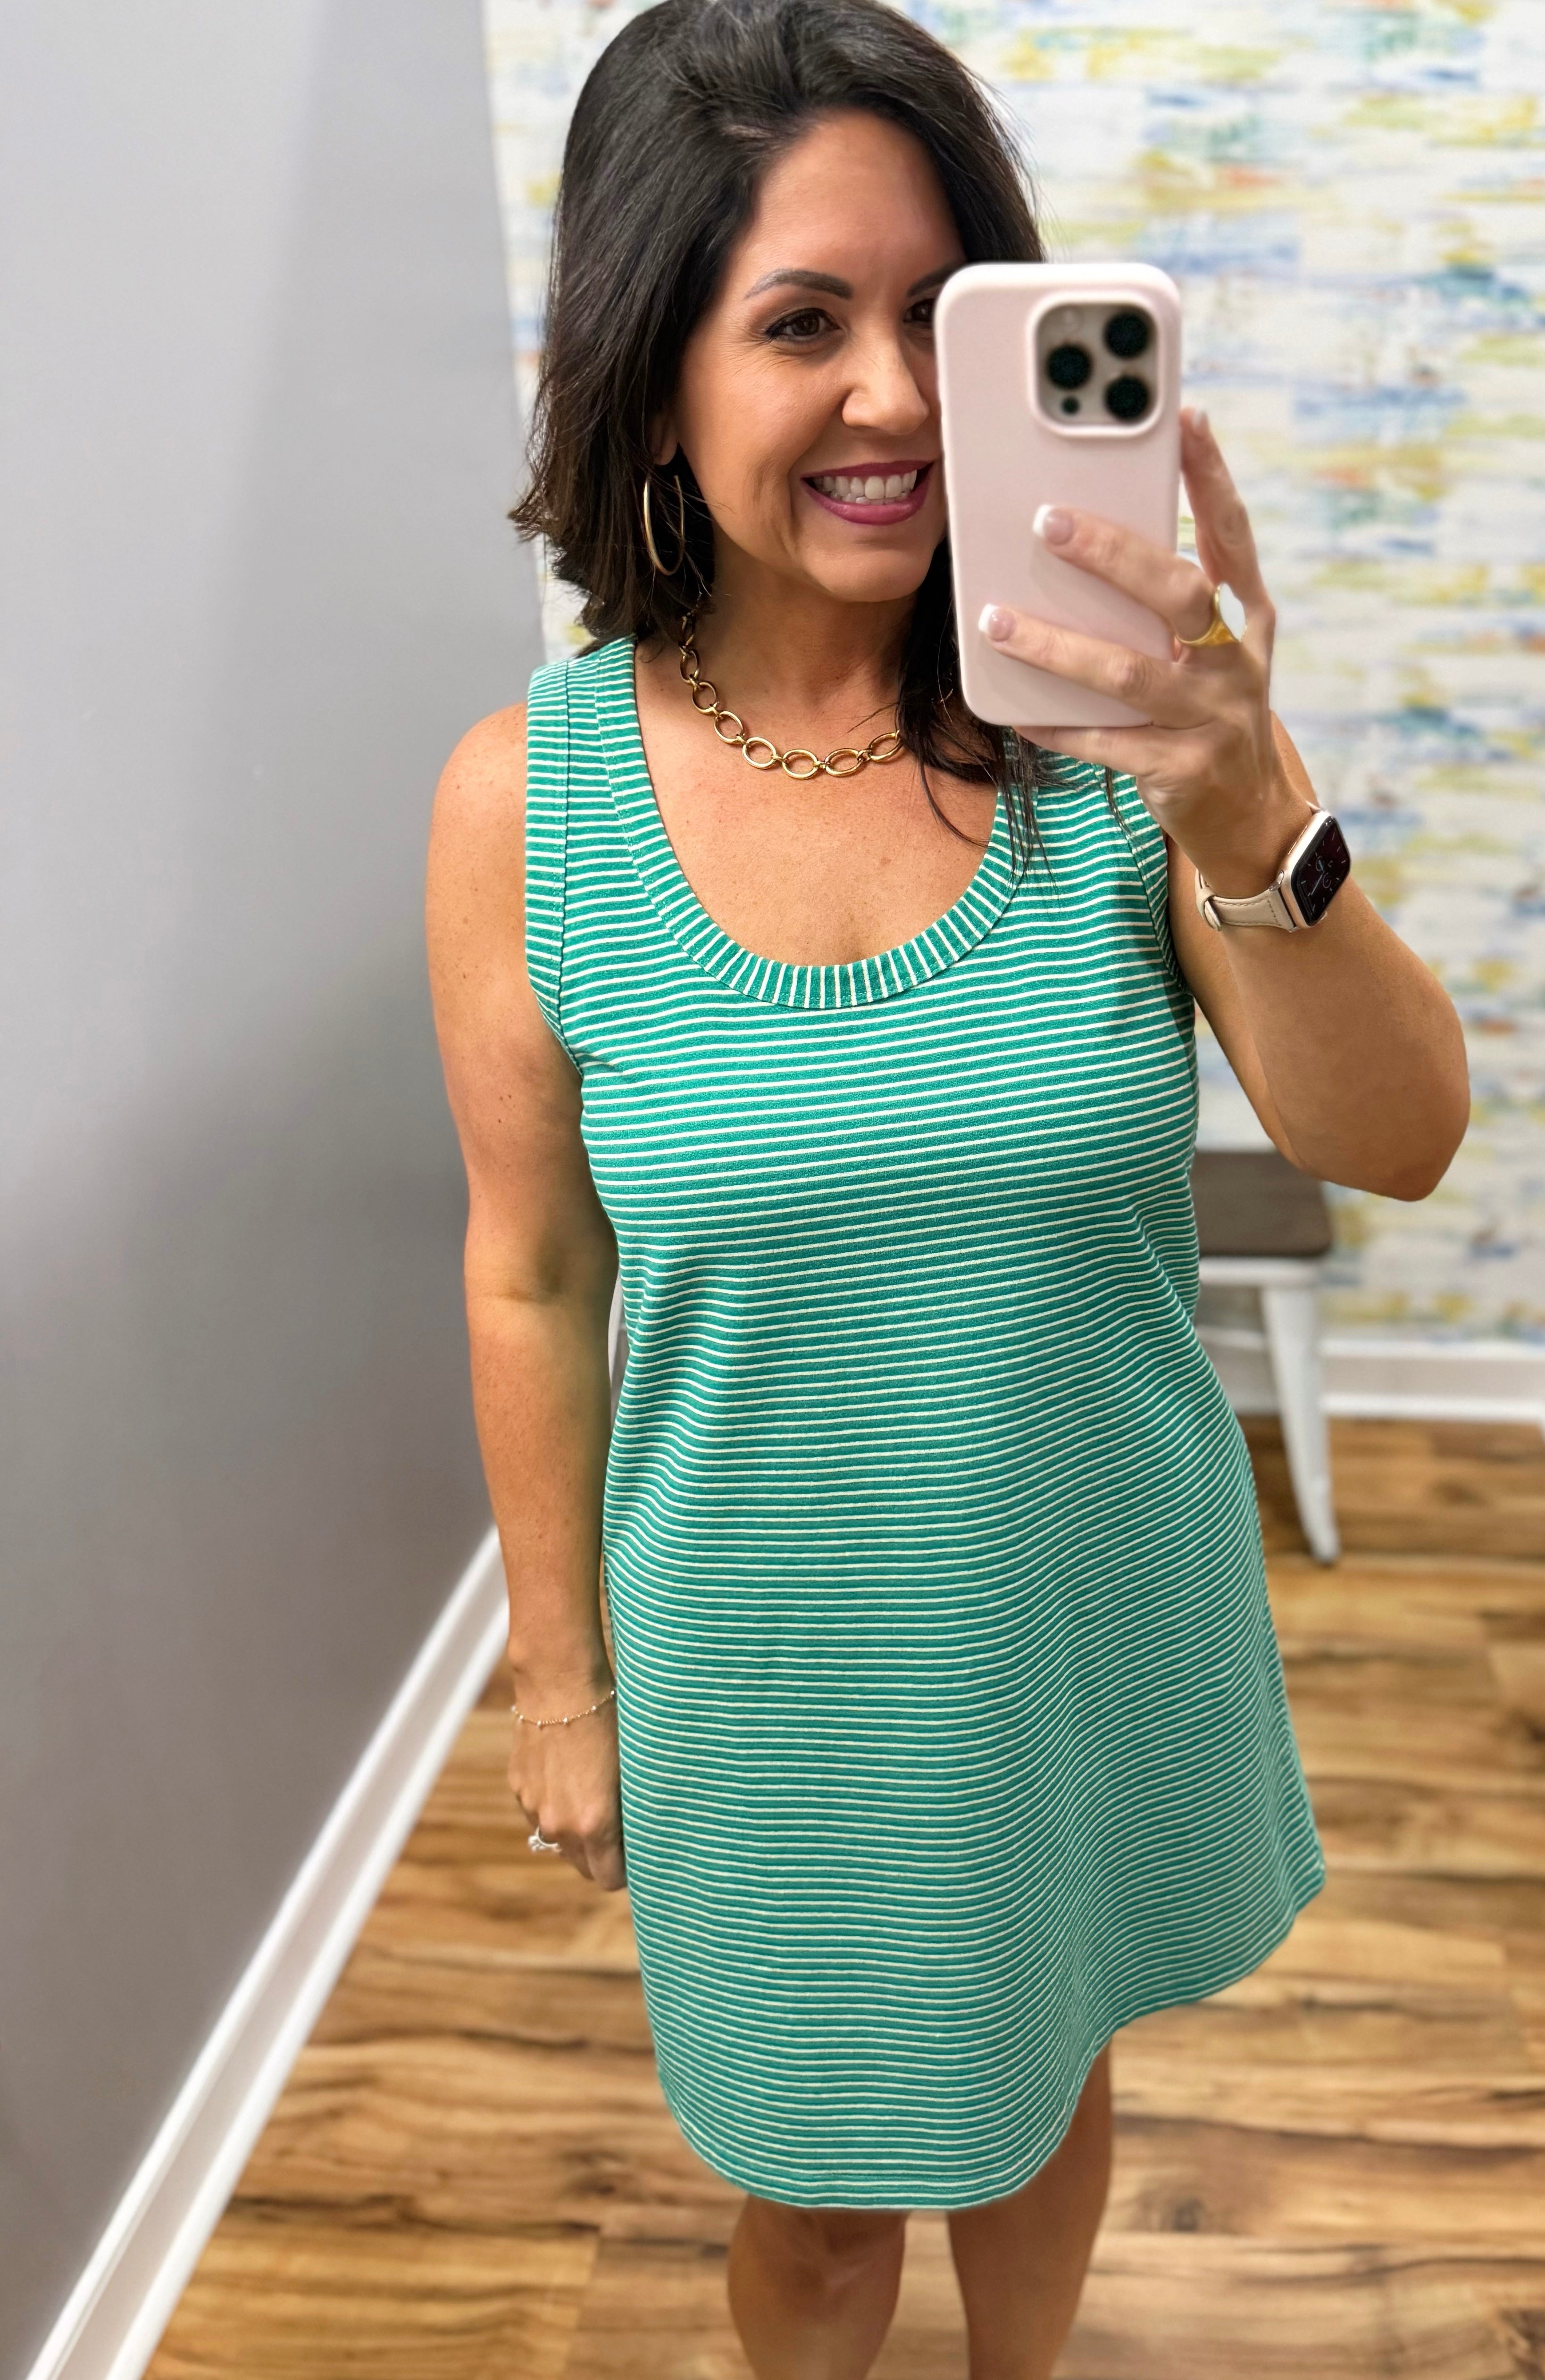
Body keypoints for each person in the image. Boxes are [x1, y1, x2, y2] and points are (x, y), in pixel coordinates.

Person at [425, 1, 1469, 2373]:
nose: (891, 394)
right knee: (806, 2201)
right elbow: (526, 1269)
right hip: (760, 1657)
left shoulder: (1122, 750)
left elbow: (1387, 1135)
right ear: (651, 368)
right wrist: (557, 1671)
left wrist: (1243, 791)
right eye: (801, 321)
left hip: (1080, 1603)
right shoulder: (530, 801)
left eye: (939, 313)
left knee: (1042, 2089)